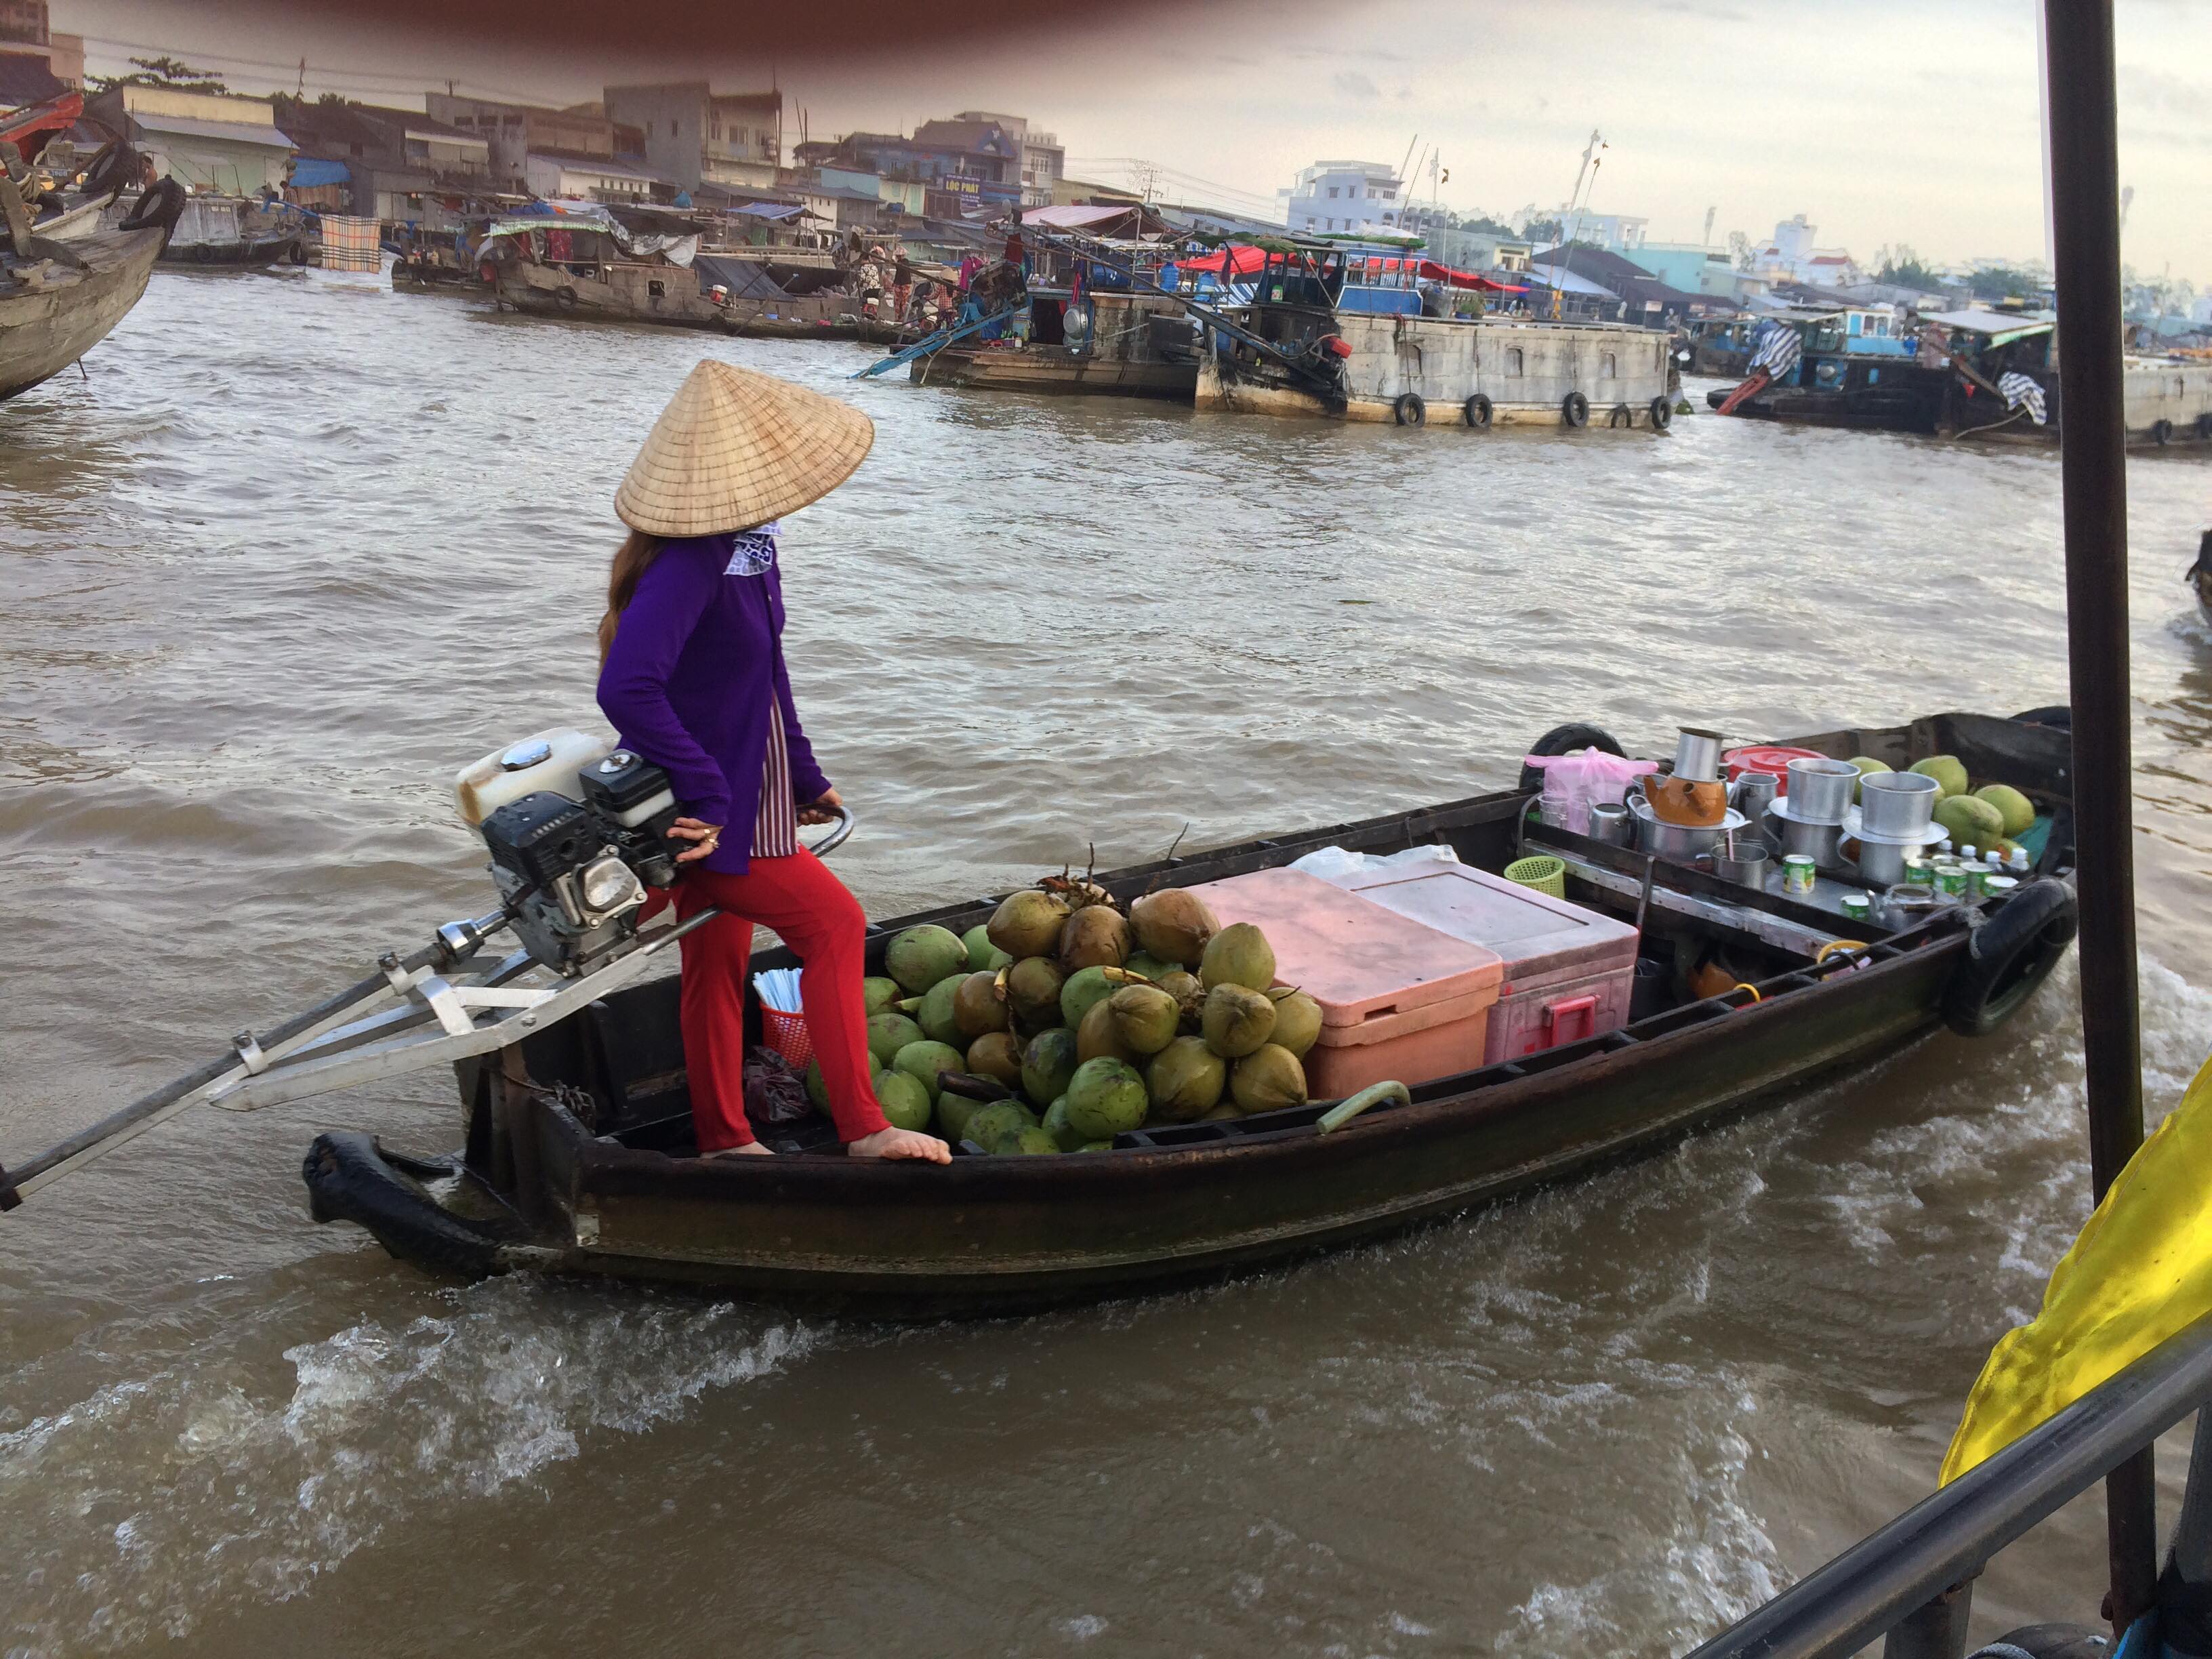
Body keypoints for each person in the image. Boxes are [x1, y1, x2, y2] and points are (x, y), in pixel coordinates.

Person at [596, 361, 951, 1165]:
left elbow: (767, 676)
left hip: (744, 795)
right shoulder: (693, 561)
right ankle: (866, 1127)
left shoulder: (749, 554)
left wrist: (804, 772)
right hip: (706, 814)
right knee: (836, 924)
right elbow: (626, 687)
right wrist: (707, 789)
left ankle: (725, 1140)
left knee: (715, 960)